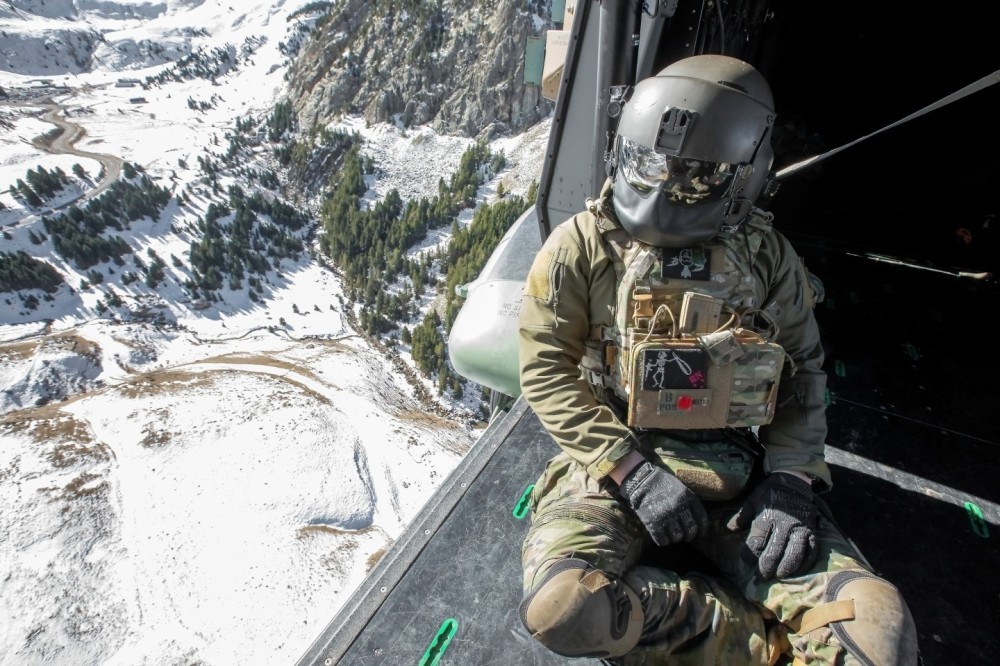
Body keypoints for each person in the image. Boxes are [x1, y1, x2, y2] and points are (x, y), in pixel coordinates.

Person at [516, 54, 919, 665]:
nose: (664, 186)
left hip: (736, 469)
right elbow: (546, 369)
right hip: (613, 464)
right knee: (567, 610)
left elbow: (802, 370)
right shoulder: (580, 247)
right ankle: (750, 642)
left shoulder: (766, 258)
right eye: (649, 163)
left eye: (695, 175)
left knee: (877, 636)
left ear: (742, 175)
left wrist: (790, 479)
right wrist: (629, 468)